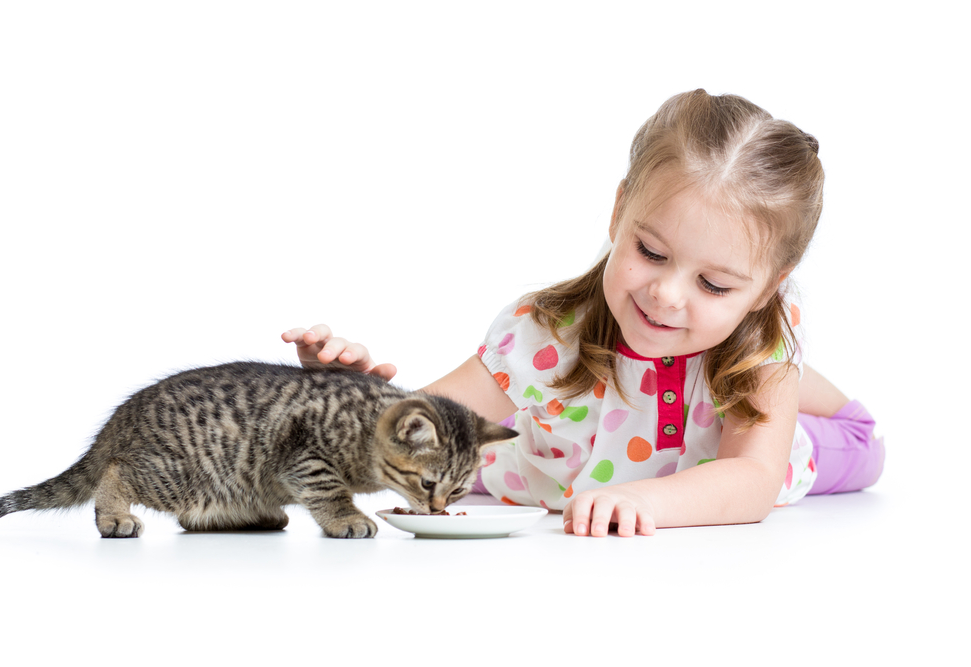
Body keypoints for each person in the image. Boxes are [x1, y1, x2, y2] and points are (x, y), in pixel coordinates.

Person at [282, 89, 884, 537]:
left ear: (765, 290)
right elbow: (430, 424)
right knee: (483, 455)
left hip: (742, 450)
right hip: (556, 469)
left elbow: (752, 482)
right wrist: (351, 397)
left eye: (713, 283)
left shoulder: (758, 341)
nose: (666, 295)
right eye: (650, 252)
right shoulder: (545, 333)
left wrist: (649, 501)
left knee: (863, 442)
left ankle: (803, 387)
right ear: (620, 210)